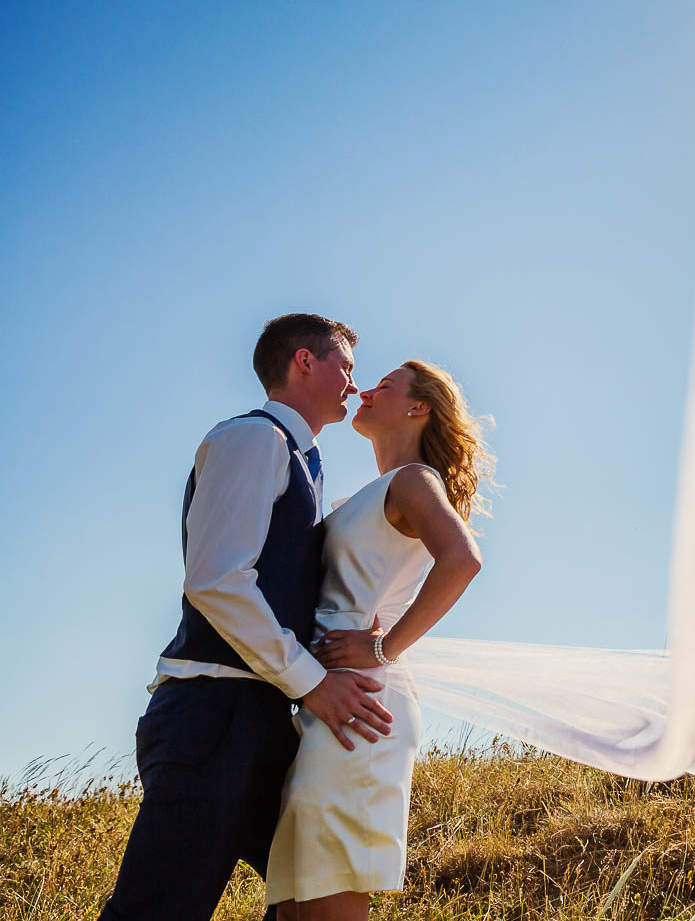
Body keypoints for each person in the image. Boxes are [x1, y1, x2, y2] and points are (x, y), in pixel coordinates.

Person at [101, 313, 395, 921]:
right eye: (345, 365)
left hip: (263, 722)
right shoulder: (254, 439)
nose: (352, 381)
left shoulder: (305, 462)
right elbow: (217, 580)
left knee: (309, 902)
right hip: (214, 715)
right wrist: (315, 684)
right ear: (304, 362)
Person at [265, 359, 490, 921]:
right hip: (327, 704)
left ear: (418, 408)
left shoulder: (415, 481)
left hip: (365, 709)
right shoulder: (358, 498)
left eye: (384, 386)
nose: (365, 390)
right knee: (296, 904)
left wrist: (384, 647)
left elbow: (462, 561)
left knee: (331, 896)